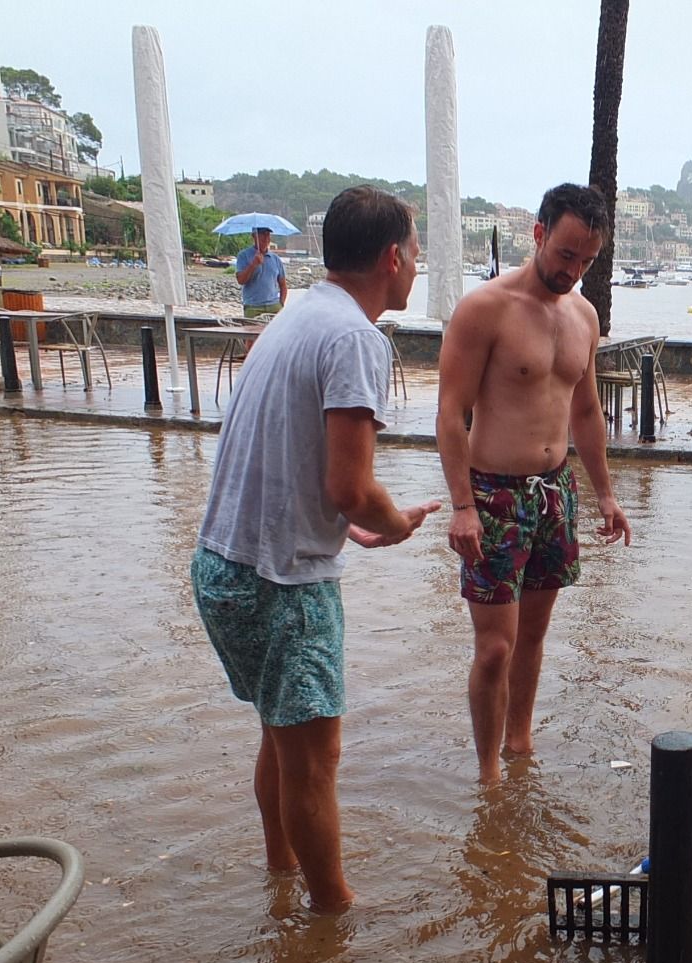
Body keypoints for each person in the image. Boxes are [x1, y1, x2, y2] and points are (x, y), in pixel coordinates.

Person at [193, 186, 441, 912]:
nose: (416, 267)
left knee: (281, 737)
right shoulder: (358, 338)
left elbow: (302, 467)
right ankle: (332, 919)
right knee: (315, 762)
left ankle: (281, 881)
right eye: (417, 253)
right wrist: (389, 523)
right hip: (281, 586)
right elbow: (351, 486)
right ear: (392, 258)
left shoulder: (297, 313)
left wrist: (351, 525)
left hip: (224, 567)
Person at [436, 183, 631, 786]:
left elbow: (586, 412)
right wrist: (462, 505)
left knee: (534, 635)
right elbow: (450, 412)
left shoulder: (583, 316)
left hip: (554, 492)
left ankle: (520, 747)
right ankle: (488, 773)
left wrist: (604, 493)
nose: (573, 271)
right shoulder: (484, 309)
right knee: (495, 646)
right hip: (492, 495)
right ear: (539, 233)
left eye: (587, 261)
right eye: (566, 254)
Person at [235, 226, 289, 318]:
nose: (266, 238)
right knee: (252, 332)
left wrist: (281, 304)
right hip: (253, 307)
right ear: (254, 236)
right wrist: (253, 264)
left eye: (268, 235)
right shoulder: (243, 255)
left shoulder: (275, 259)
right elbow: (241, 280)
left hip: (274, 307)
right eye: (262, 235)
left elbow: (283, 285)